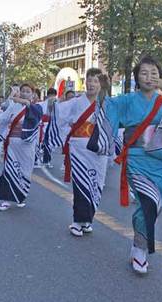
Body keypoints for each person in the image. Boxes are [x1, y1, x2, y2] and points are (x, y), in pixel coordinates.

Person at [106, 56, 162, 274]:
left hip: (158, 160)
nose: (149, 77)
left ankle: (137, 242)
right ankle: (141, 250)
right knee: (147, 201)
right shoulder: (126, 100)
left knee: (157, 203)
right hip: (135, 158)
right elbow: (107, 109)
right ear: (136, 78)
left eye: (154, 73)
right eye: (144, 73)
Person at [49, 68, 116, 237]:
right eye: (89, 80)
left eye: (95, 81)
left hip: (98, 150)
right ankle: (77, 221)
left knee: (96, 184)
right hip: (79, 148)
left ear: (101, 84)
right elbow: (58, 113)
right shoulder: (76, 102)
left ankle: (87, 220)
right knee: (80, 184)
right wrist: (51, 103)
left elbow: (114, 125)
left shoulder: (107, 103)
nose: (91, 84)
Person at [0, 84, 42, 211]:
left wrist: (25, 103)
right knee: (9, 170)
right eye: (23, 91)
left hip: (27, 146)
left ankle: (20, 196)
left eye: (28, 91)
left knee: (25, 171)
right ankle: (6, 200)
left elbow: (37, 117)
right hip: (12, 144)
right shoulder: (13, 107)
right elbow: (2, 119)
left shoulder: (37, 108)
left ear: (33, 94)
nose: (25, 93)